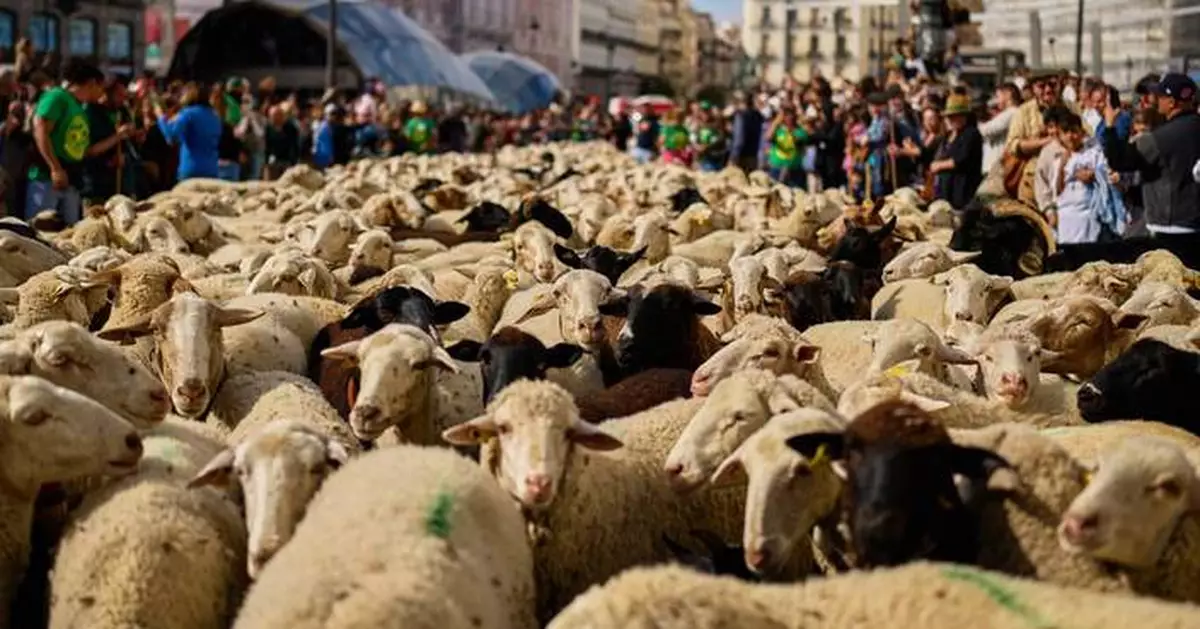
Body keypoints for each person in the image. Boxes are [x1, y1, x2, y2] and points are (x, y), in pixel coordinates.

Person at [1102, 73, 1200, 241]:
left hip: (1169, 227)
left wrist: (1110, 125)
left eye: (1161, 96)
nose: (1156, 99)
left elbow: (1120, 160)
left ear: (1172, 102)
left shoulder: (1160, 138)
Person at [26, 57, 104, 224]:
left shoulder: (80, 107)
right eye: (100, 87)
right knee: (42, 230)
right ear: (91, 83)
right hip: (47, 178)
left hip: (72, 179)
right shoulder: (57, 97)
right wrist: (55, 168)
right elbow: (41, 130)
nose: (101, 93)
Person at [1054, 113, 1126, 244]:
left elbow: (1105, 174)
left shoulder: (1093, 153)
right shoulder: (1059, 157)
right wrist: (1065, 169)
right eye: (1066, 132)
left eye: (1074, 131)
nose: (1070, 136)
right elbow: (1057, 190)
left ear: (1081, 132)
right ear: (1060, 135)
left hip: (1088, 215)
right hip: (1067, 218)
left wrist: (1093, 175)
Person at [81, 77, 137, 204]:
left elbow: (127, 140)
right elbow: (90, 150)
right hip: (97, 185)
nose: (123, 99)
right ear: (107, 93)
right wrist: (117, 136)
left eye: (125, 95)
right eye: (119, 95)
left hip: (122, 183)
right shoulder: (90, 112)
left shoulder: (122, 111)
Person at [926, 93, 983, 210]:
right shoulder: (949, 135)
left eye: (954, 116)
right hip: (946, 192)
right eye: (949, 116)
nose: (951, 120)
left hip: (962, 192)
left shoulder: (971, 134)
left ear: (964, 116)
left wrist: (939, 165)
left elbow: (961, 159)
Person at [156, 82, 222, 181]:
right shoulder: (215, 116)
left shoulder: (188, 113)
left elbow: (171, 137)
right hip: (212, 170)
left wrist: (161, 118)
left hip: (191, 169)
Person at [979, 83, 1021, 174]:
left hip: (998, 169)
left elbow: (986, 130)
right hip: (995, 168)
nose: (996, 101)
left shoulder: (1012, 112)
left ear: (1008, 94)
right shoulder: (1008, 113)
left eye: (998, 96)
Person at [766, 106, 808, 187]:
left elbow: (797, 141)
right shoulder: (778, 131)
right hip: (776, 167)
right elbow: (768, 137)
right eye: (786, 115)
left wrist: (789, 130)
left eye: (790, 115)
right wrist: (776, 122)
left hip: (793, 170)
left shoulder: (800, 131)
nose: (788, 118)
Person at [729, 92, 764, 173]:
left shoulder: (741, 115)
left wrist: (733, 157)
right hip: (753, 155)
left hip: (741, 157)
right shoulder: (758, 115)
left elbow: (739, 139)